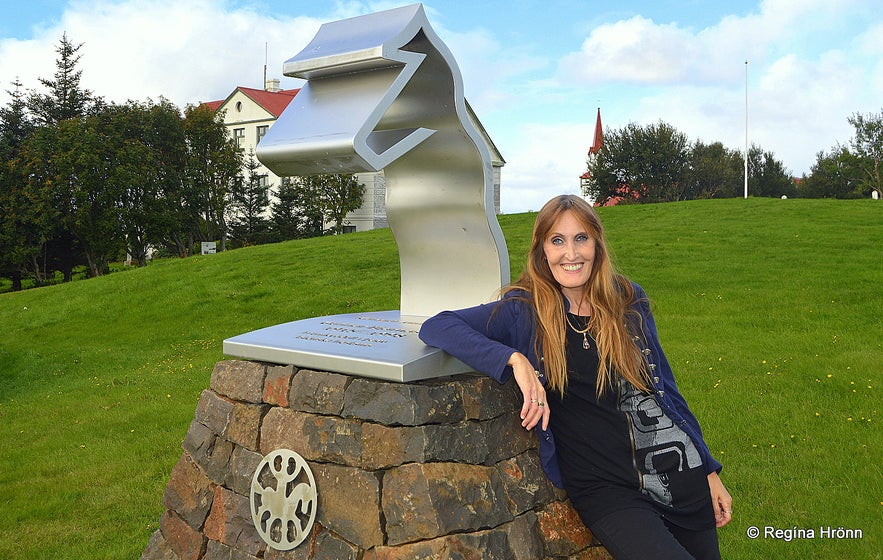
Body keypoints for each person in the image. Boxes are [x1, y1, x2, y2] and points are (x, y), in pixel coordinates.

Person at [419, 194, 732, 559]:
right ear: (542, 250)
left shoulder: (628, 298)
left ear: (597, 243)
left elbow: (666, 389)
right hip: (609, 490)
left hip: (679, 473)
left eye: (581, 238)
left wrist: (708, 470)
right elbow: (439, 325)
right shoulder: (524, 310)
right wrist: (513, 359)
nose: (571, 253)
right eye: (558, 240)